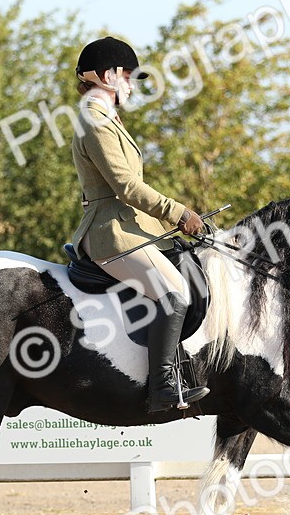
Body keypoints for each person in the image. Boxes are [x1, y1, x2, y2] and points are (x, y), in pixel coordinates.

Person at [69, 36, 210, 413]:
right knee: (174, 293)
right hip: (111, 233)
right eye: (127, 77)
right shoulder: (94, 121)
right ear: (106, 76)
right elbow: (126, 186)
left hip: (131, 228)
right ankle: (161, 386)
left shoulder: (106, 118)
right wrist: (178, 212)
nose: (131, 85)